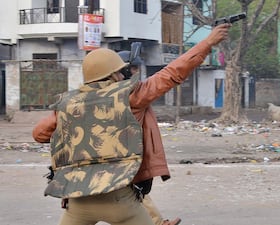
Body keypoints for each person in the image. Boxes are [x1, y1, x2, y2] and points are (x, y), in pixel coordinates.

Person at [32, 23, 231, 225]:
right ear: (111, 75)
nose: (123, 76)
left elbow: (39, 134)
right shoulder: (131, 96)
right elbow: (172, 73)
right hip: (119, 199)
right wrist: (207, 43)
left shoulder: (68, 105)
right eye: (120, 72)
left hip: (77, 201)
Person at [117, 49, 180, 225]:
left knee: (134, 192)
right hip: (116, 155)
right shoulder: (132, 96)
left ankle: (158, 222)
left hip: (123, 154)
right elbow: (171, 74)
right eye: (134, 68)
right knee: (130, 193)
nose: (137, 72)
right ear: (123, 70)